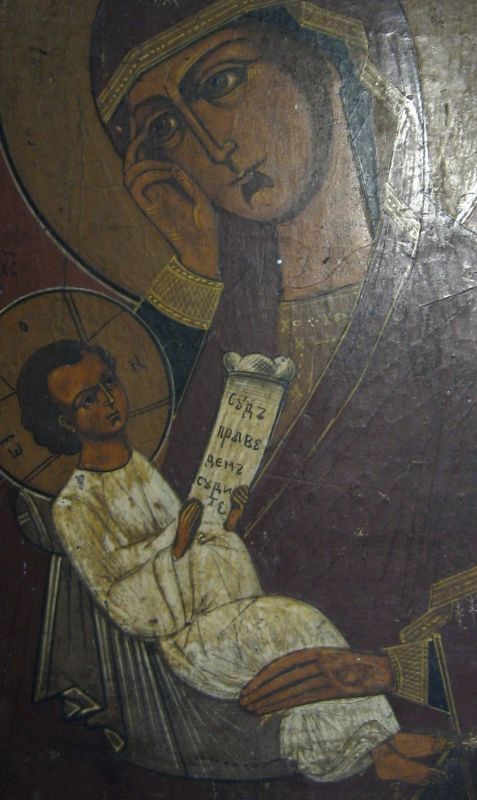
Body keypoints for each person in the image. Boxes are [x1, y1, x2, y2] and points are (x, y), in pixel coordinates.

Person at [16, 339, 448, 786]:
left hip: (220, 613)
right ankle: (370, 751)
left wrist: (224, 526)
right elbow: (122, 601)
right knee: (299, 625)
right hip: (190, 644)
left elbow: (194, 546)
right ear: (64, 422)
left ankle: (382, 742)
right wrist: (175, 547)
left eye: (109, 382)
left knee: (302, 632)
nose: (108, 401)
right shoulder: (75, 505)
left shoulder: (138, 467)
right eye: (88, 399)